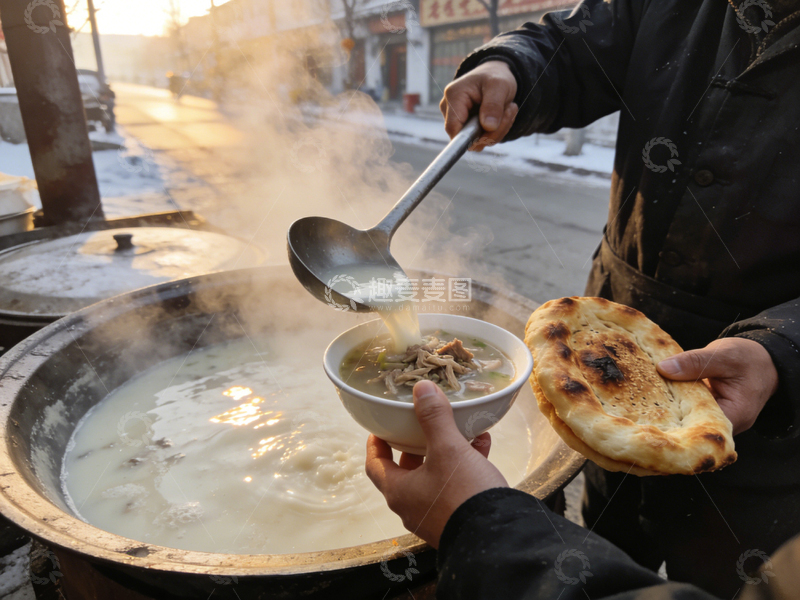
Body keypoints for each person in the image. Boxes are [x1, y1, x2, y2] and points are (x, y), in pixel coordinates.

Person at [366, 0, 800, 597]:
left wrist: (783, 351)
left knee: (733, 575)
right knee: (601, 538)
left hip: (770, 433)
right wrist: (511, 65)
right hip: (602, 369)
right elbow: (579, 42)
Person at [366, 381, 798, 599]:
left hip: (760, 463)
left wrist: (483, 523)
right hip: (619, 367)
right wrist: (775, 349)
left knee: (722, 568)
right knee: (609, 528)